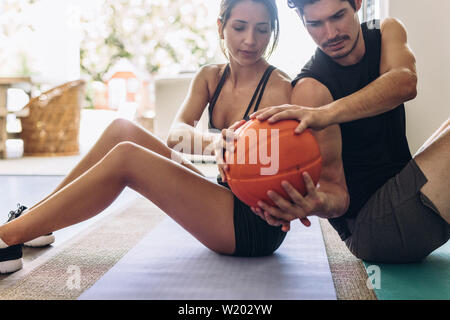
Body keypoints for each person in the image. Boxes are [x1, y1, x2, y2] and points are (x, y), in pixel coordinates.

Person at [0, 0, 349, 274]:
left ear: (272, 31)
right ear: (221, 26)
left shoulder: (278, 89)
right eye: (240, 27)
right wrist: (213, 144)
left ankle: (7, 238)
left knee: (126, 158)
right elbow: (176, 135)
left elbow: (279, 166)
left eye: (261, 29)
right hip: (223, 196)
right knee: (122, 130)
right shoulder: (210, 77)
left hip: (252, 226)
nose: (250, 40)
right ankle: (31, 221)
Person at [250, 0, 449, 263]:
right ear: (300, 18)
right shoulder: (311, 89)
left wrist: (327, 113)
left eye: (338, 16)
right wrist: (315, 203)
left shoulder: (386, 31)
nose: (330, 34)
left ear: (357, 3)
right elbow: (338, 197)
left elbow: (405, 82)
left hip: (408, 197)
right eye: (315, 24)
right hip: (371, 228)